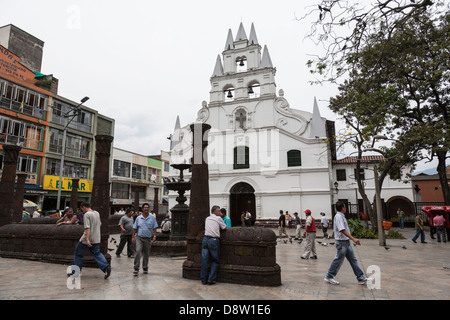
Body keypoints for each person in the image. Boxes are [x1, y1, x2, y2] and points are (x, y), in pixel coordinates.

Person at [324, 201, 371, 285]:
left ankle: (360, 277)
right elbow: (342, 229)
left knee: (353, 259)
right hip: (341, 242)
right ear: (342, 208)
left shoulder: (341, 216)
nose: (345, 208)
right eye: (345, 207)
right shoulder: (338, 216)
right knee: (338, 259)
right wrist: (353, 239)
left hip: (345, 242)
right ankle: (329, 276)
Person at [70, 202, 111, 279]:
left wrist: (87, 239)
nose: (82, 211)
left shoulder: (87, 215)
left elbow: (87, 228)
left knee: (78, 255)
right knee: (97, 253)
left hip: (86, 239)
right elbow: (99, 224)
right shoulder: (96, 213)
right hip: (96, 238)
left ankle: (75, 272)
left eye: (82, 209)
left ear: (83, 207)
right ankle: (106, 267)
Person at [200, 205, 227, 285]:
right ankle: (211, 278)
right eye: (219, 211)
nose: (220, 213)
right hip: (213, 240)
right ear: (214, 212)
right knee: (215, 260)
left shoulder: (207, 218)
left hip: (205, 239)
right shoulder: (218, 218)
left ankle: (203, 279)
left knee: (205, 260)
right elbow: (224, 228)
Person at [132, 203, 158, 276]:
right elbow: (134, 228)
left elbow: (155, 227)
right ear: (142, 209)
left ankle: (145, 267)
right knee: (138, 251)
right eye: (145, 208)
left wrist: (154, 236)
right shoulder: (138, 218)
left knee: (146, 254)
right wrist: (133, 237)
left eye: (147, 207)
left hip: (148, 239)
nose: (146, 209)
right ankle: (136, 268)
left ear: (148, 209)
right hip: (139, 237)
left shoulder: (152, 218)